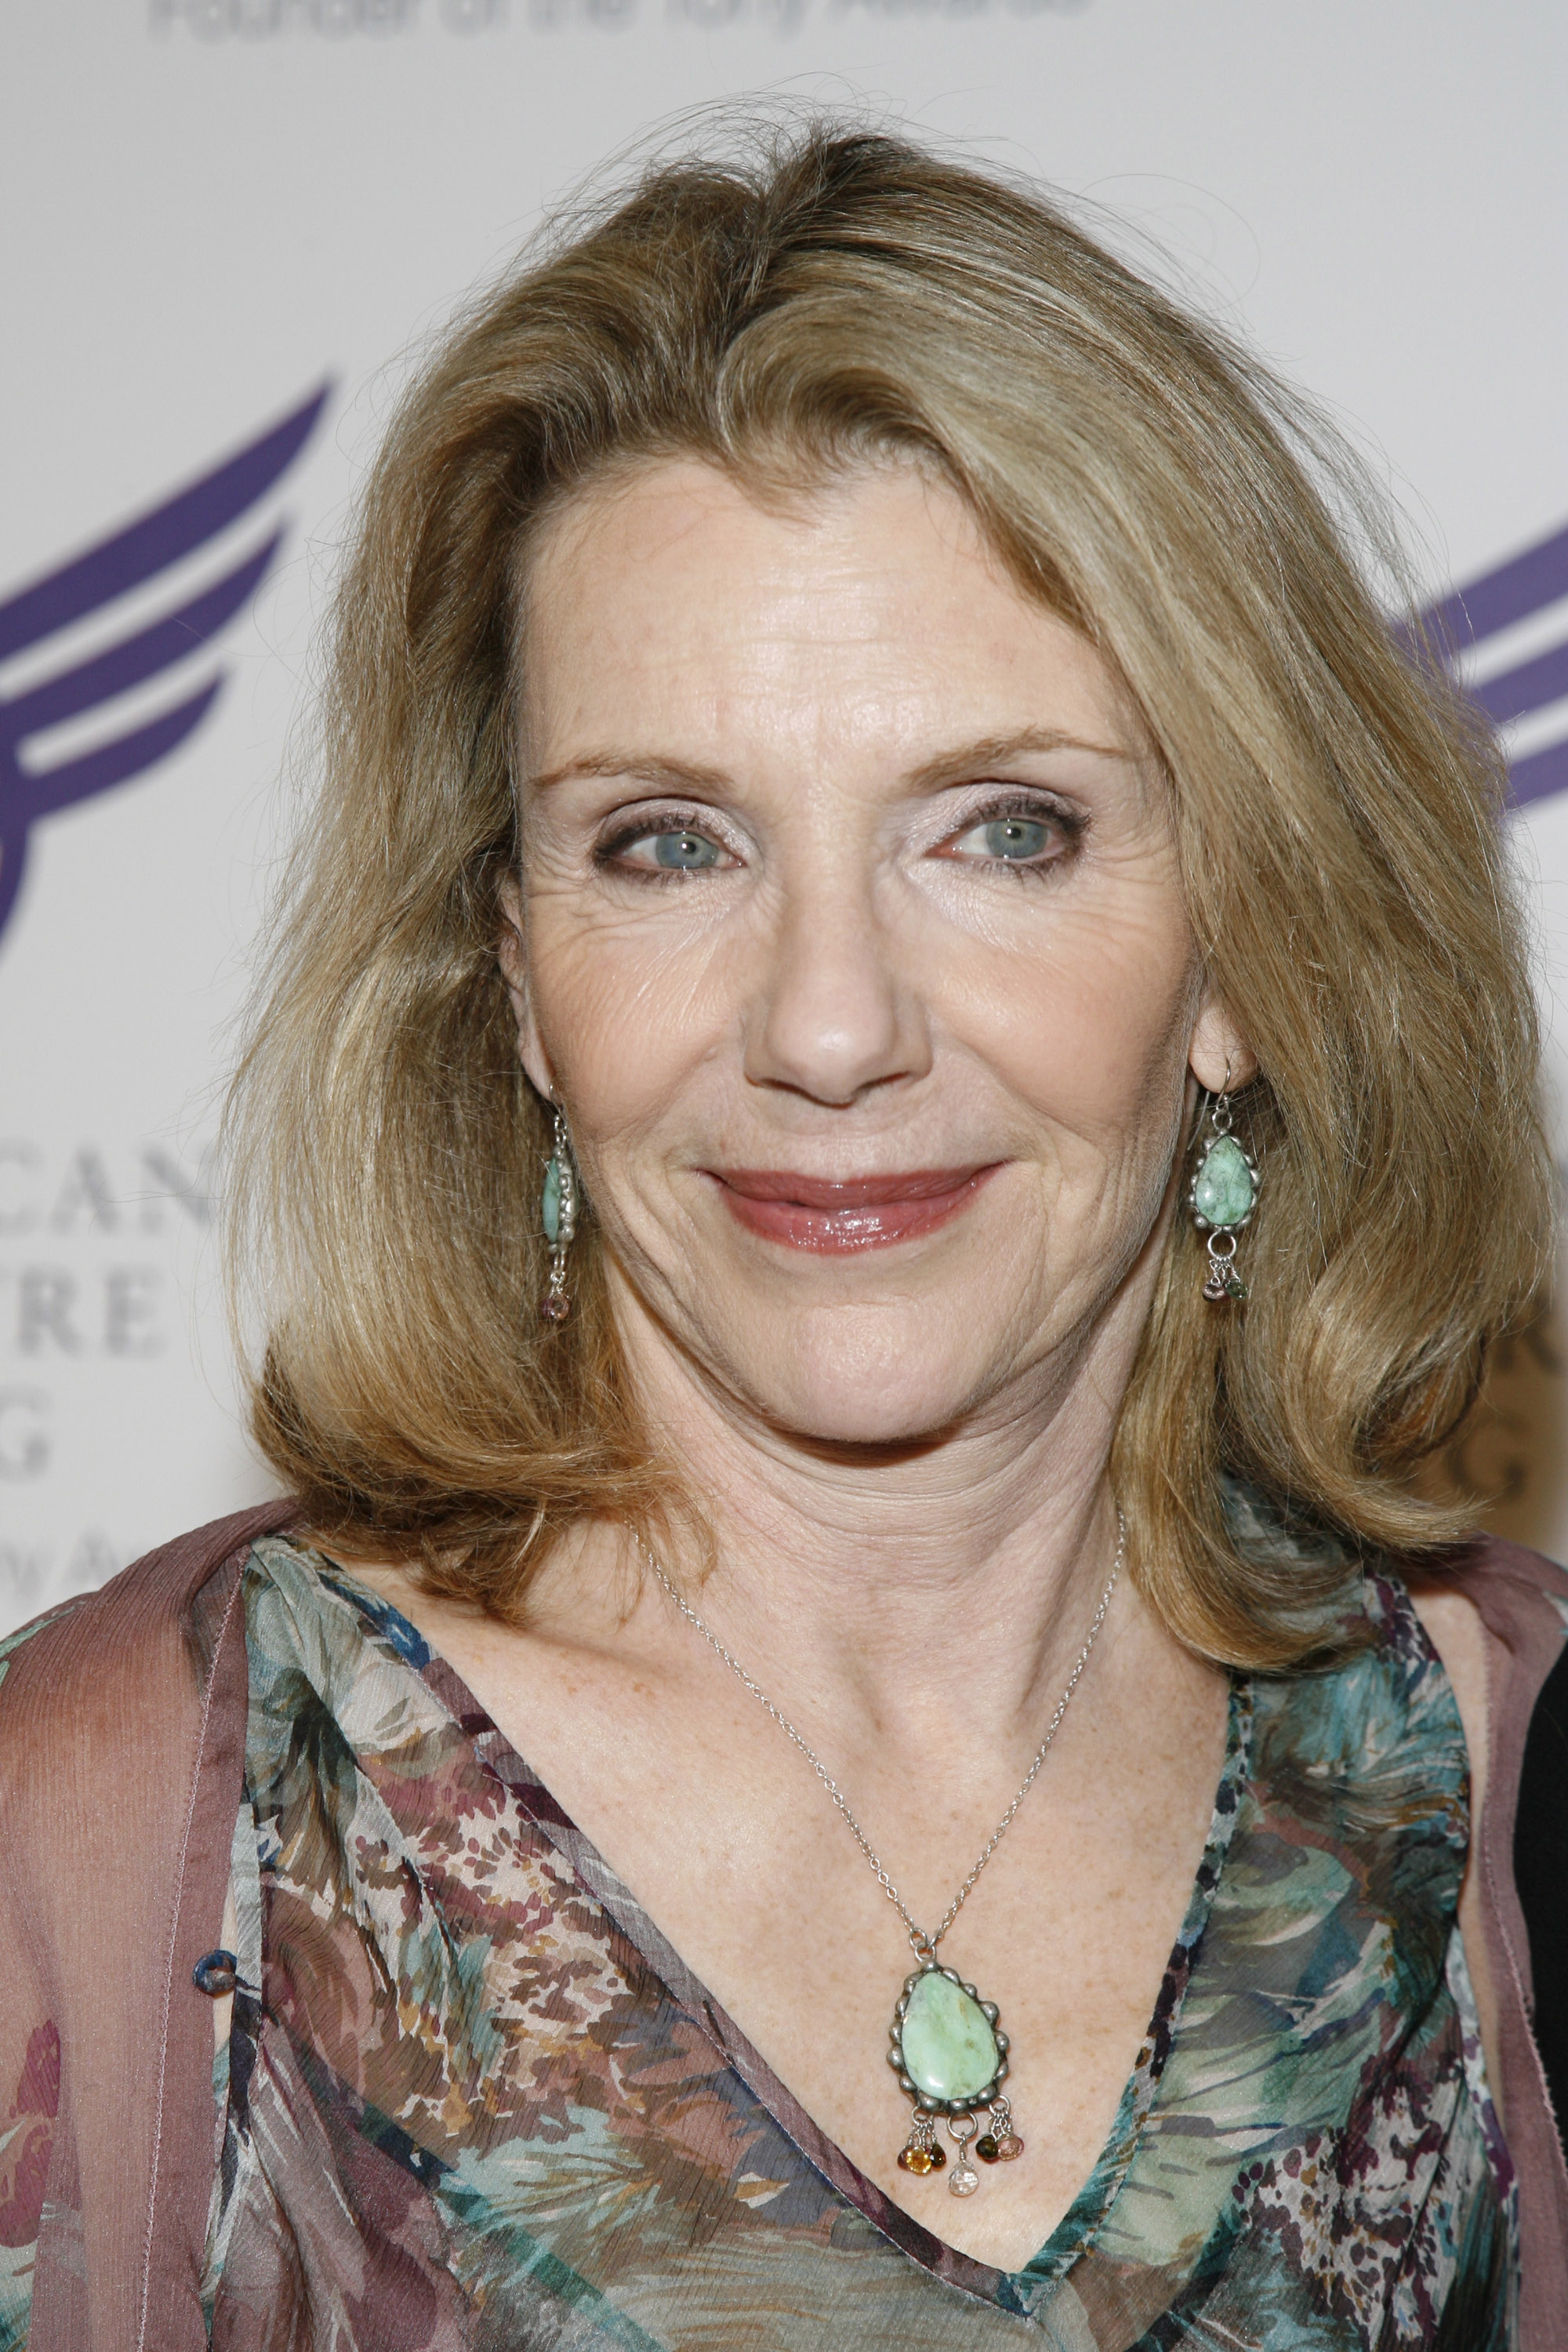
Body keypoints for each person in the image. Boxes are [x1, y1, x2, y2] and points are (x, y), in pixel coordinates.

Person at [2, 120, 1566, 2352]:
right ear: (518, 976)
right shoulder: (125, 1819)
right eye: (664, 846)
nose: (829, 1026)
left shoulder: (1500, 1780)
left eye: (1003, 830)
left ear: (1246, 950)